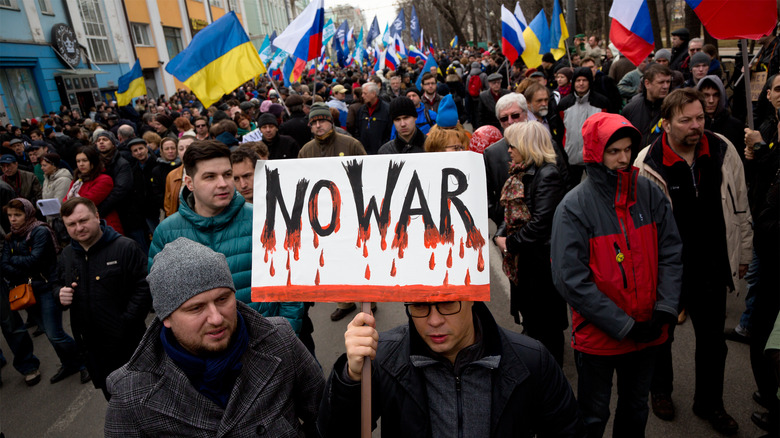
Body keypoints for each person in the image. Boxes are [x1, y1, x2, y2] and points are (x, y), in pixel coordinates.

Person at [105, 237, 323, 437]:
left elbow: (328, 419)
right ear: (166, 318)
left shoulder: (279, 341)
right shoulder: (131, 395)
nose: (217, 318)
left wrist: (348, 377)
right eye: (196, 308)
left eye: (222, 299)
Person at [551, 112, 683, 438]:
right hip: (599, 339)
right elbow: (570, 279)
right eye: (614, 151)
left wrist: (665, 308)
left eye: (627, 149)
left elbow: (671, 252)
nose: (624, 158)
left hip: (649, 331)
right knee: (594, 415)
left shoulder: (649, 194)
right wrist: (623, 325)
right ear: (596, 153)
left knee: (635, 409)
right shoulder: (574, 206)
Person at [634, 88, 752, 435]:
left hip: (713, 266)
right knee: (661, 336)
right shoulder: (647, 162)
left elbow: (740, 203)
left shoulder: (721, 148)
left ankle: (710, 403)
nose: (695, 125)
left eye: (700, 118)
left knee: (713, 343)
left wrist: (743, 252)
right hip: (668, 271)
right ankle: (661, 390)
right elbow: (640, 224)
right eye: (686, 120)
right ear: (666, 123)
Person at [318, 299, 584, 437]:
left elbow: (568, 432)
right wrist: (351, 378)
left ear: (471, 298)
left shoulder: (531, 360)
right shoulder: (382, 358)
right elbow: (335, 433)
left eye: (447, 303)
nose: (434, 321)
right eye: (420, 305)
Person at [151, 140, 304, 333]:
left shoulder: (265, 219)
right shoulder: (166, 233)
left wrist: (284, 337)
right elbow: (163, 302)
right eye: (210, 177)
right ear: (189, 183)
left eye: (227, 174)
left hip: (265, 339)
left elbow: (290, 290)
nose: (223, 184)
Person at [56, 197, 151, 399]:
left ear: (97, 216)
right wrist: (59, 294)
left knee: (142, 397)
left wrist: (125, 322)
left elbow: (145, 287)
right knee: (115, 401)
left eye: (83, 220)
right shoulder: (67, 255)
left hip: (129, 346)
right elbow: (56, 284)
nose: (78, 228)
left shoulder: (125, 248)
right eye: (71, 224)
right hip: (93, 350)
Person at [493, 121, 568, 365]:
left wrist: (509, 243)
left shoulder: (547, 175)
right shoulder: (522, 172)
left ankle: (550, 368)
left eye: (512, 145)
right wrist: (501, 234)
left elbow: (539, 225)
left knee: (546, 322)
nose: (509, 151)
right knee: (533, 318)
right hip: (526, 260)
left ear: (525, 146)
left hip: (540, 263)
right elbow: (510, 213)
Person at [1, 198, 87, 384]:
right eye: (10, 216)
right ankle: (68, 363)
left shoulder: (40, 231)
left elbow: (35, 260)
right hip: (27, 291)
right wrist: (20, 263)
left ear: (28, 214)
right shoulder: (11, 236)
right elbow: (4, 265)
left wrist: (15, 261)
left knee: (55, 332)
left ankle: (84, 363)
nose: (13, 219)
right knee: (48, 333)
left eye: (17, 215)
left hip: (46, 287)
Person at [557, 67, 610, 187]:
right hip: (571, 157)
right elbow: (560, 131)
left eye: (584, 80)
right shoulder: (564, 104)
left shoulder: (602, 103)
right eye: (578, 80)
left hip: (595, 158)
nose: (581, 84)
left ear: (590, 82)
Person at [64, 146, 124, 234]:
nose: (81, 164)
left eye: (85, 160)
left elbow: (87, 201)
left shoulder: (104, 179)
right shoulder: (76, 181)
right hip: (82, 226)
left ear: (93, 162)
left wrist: (70, 203)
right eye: (78, 161)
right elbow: (65, 200)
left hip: (104, 226)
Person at [621, 63, 673, 162]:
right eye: (661, 82)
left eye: (668, 82)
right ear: (647, 83)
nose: (666, 86)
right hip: (635, 165)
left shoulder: (673, 109)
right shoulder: (631, 109)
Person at [163, 135, 195, 216]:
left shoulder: (208, 170)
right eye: (181, 149)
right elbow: (168, 204)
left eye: (188, 147)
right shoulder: (172, 175)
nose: (185, 151)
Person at [356, 82, 392, 155]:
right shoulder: (361, 110)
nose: (362, 96)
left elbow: (390, 132)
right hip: (364, 152)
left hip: (381, 153)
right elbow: (357, 130)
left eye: (365, 93)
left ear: (373, 93)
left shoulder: (387, 110)